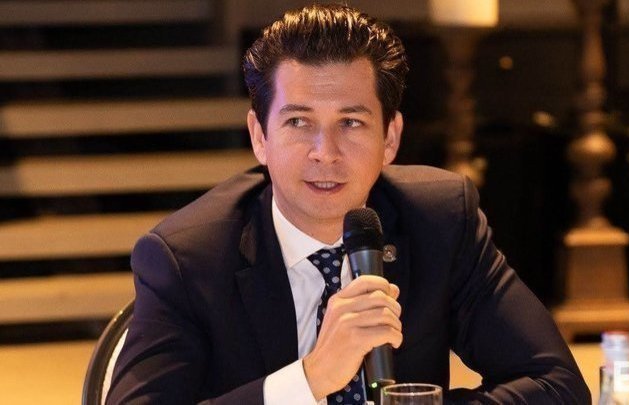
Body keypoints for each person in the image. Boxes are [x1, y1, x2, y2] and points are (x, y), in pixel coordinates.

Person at [107, 4, 590, 404]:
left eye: (352, 123)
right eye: (298, 122)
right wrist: (311, 377)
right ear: (259, 137)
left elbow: (558, 386)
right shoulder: (187, 258)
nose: (326, 152)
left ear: (390, 138)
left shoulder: (441, 221)